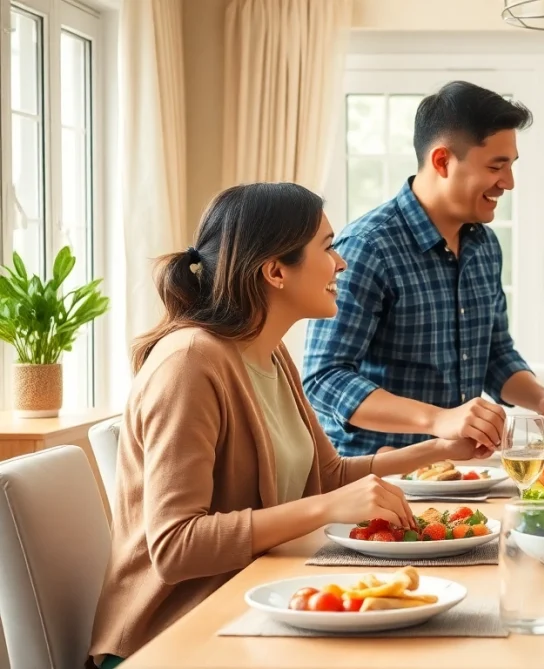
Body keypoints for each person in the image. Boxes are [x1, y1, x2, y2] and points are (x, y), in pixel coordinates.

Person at [89, 183, 483, 668]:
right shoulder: (190, 363)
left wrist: (438, 449)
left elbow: (329, 476)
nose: (341, 263)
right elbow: (175, 547)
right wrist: (324, 508)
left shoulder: (269, 352)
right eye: (328, 246)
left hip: (246, 609)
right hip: (173, 640)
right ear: (275, 270)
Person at [303, 80, 544, 457]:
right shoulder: (368, 247)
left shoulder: (484, 246)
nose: (509, 183)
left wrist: (543, 398)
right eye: (495, 167)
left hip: (466, 476)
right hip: (382, 479)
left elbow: (495, 355)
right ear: (442, 161)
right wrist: (439, 420)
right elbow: (324, 379)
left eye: (511, 166)